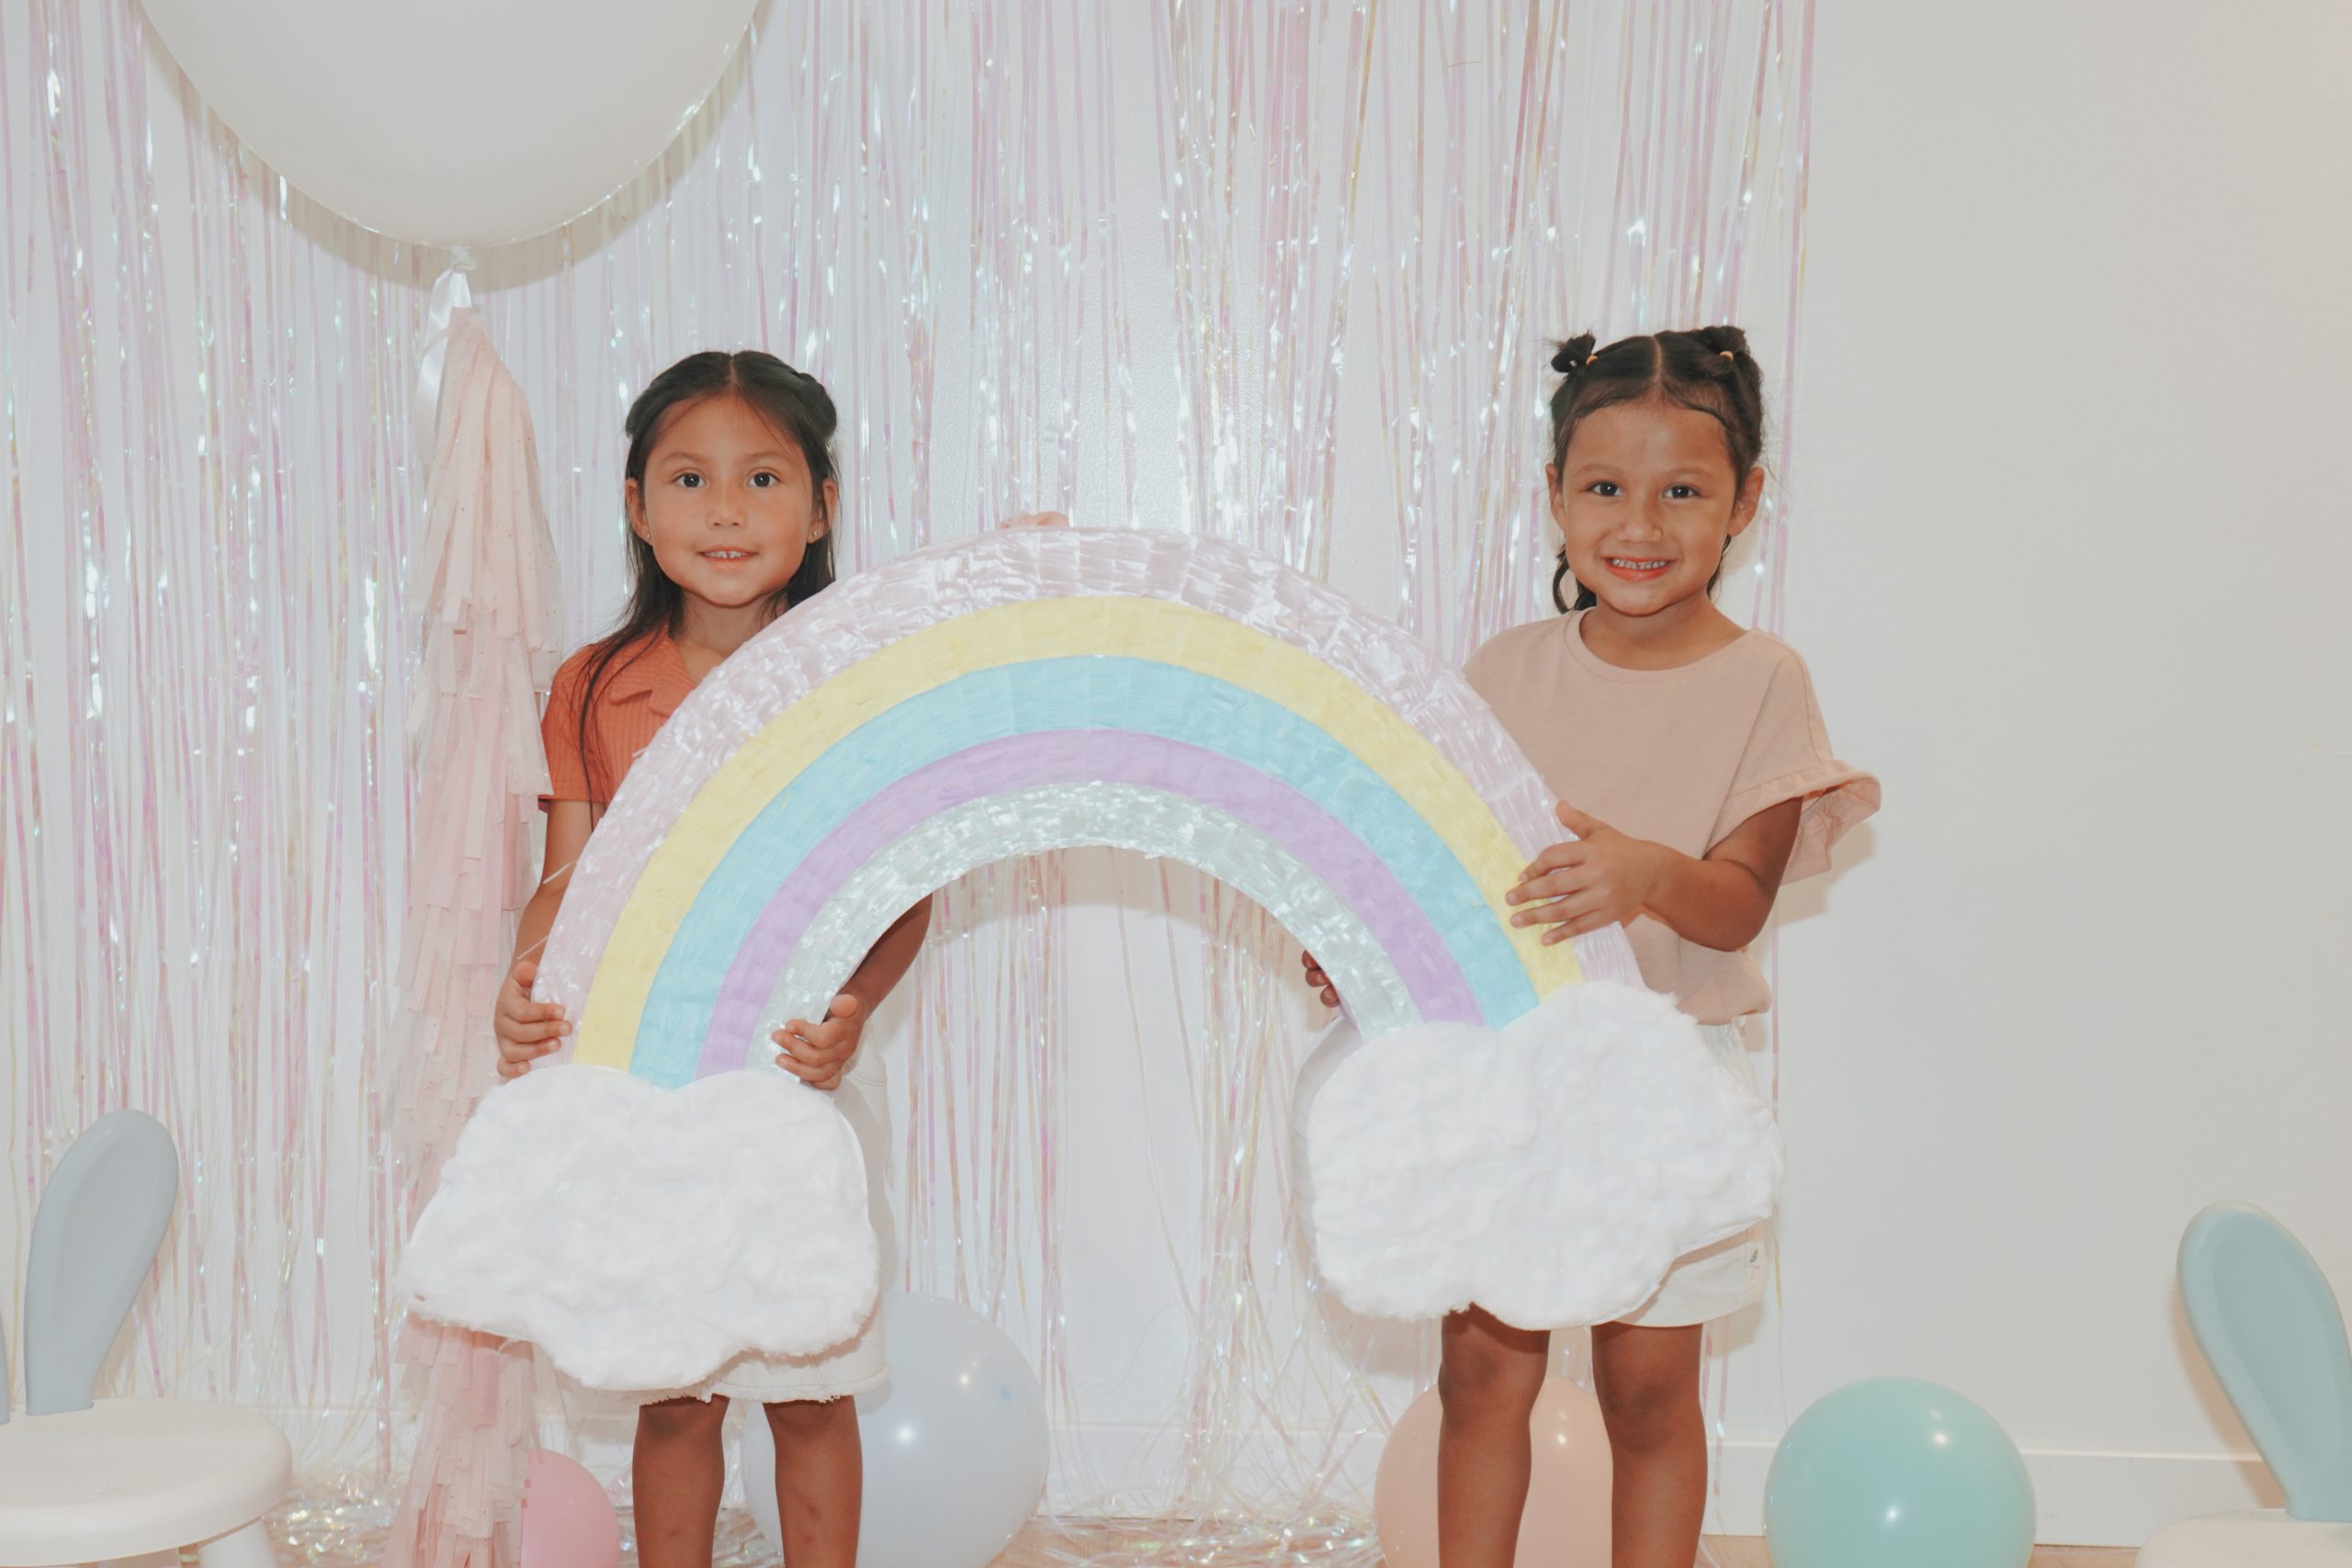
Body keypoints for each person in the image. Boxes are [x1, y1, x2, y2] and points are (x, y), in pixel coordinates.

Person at [1306, 326, 1877, 1567]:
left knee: (1647, 1394)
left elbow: (1737, 906)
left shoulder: (1765, 683)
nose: (1641, 524)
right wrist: (1363, 950)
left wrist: (1644, 873)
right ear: (1556, 497)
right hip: (1506, 1079)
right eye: (1606, 487)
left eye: (1685, 492)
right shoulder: (1503, 672)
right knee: (1482, 1375)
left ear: (1746, 503)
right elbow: (1442, 869)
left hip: (1666, 1088)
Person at [492, 350, 931, 1568]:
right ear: (637, 507)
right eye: (689, 479)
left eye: (762, 478)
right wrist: (520, 988)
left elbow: (904, 894)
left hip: (797, 1084)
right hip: (650, 1087)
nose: (725, 511)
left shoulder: (855, 684)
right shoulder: (592, 689)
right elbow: (567, 887)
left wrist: (852, 1009)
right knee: (677, 1392)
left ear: (821, 506)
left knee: (810, 1384)